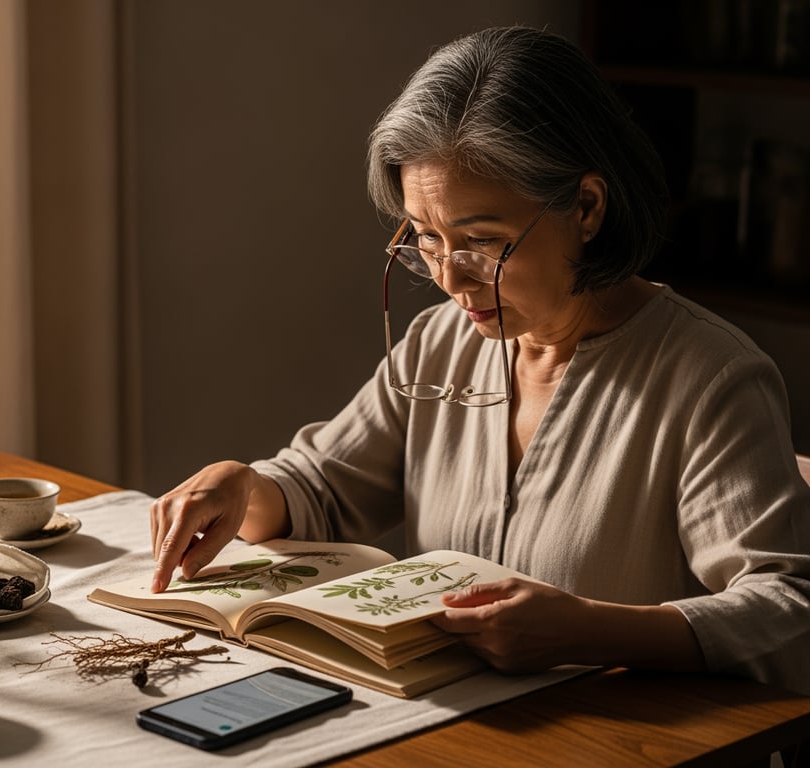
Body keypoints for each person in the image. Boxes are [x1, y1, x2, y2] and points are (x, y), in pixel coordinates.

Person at [148, 26, 810, 695]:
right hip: (450, 731)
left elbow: (788, 611)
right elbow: (321, 489)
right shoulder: (442, 343)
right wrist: (240, 486)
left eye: (482, 241)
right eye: (426, 239)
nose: (450, 279)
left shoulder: (708, 378)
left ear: (585, 207)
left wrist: (589, 630)